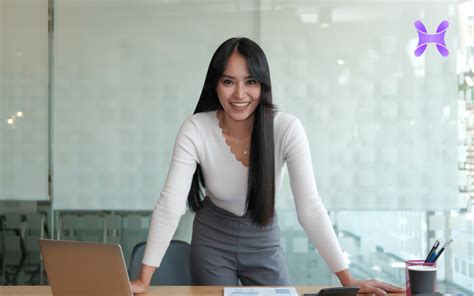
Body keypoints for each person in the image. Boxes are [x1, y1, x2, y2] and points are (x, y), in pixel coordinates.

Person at [131, 37, 404, 295]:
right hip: (212, 237)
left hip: (262, 235)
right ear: (215, 85)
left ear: (263, 84)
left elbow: (310, 208)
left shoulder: (286, 128)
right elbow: (171, 204)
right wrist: (144, 279)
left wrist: (349, 280)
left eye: (250, 81)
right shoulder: (196, 128)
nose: (240, 93)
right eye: (228, 81)